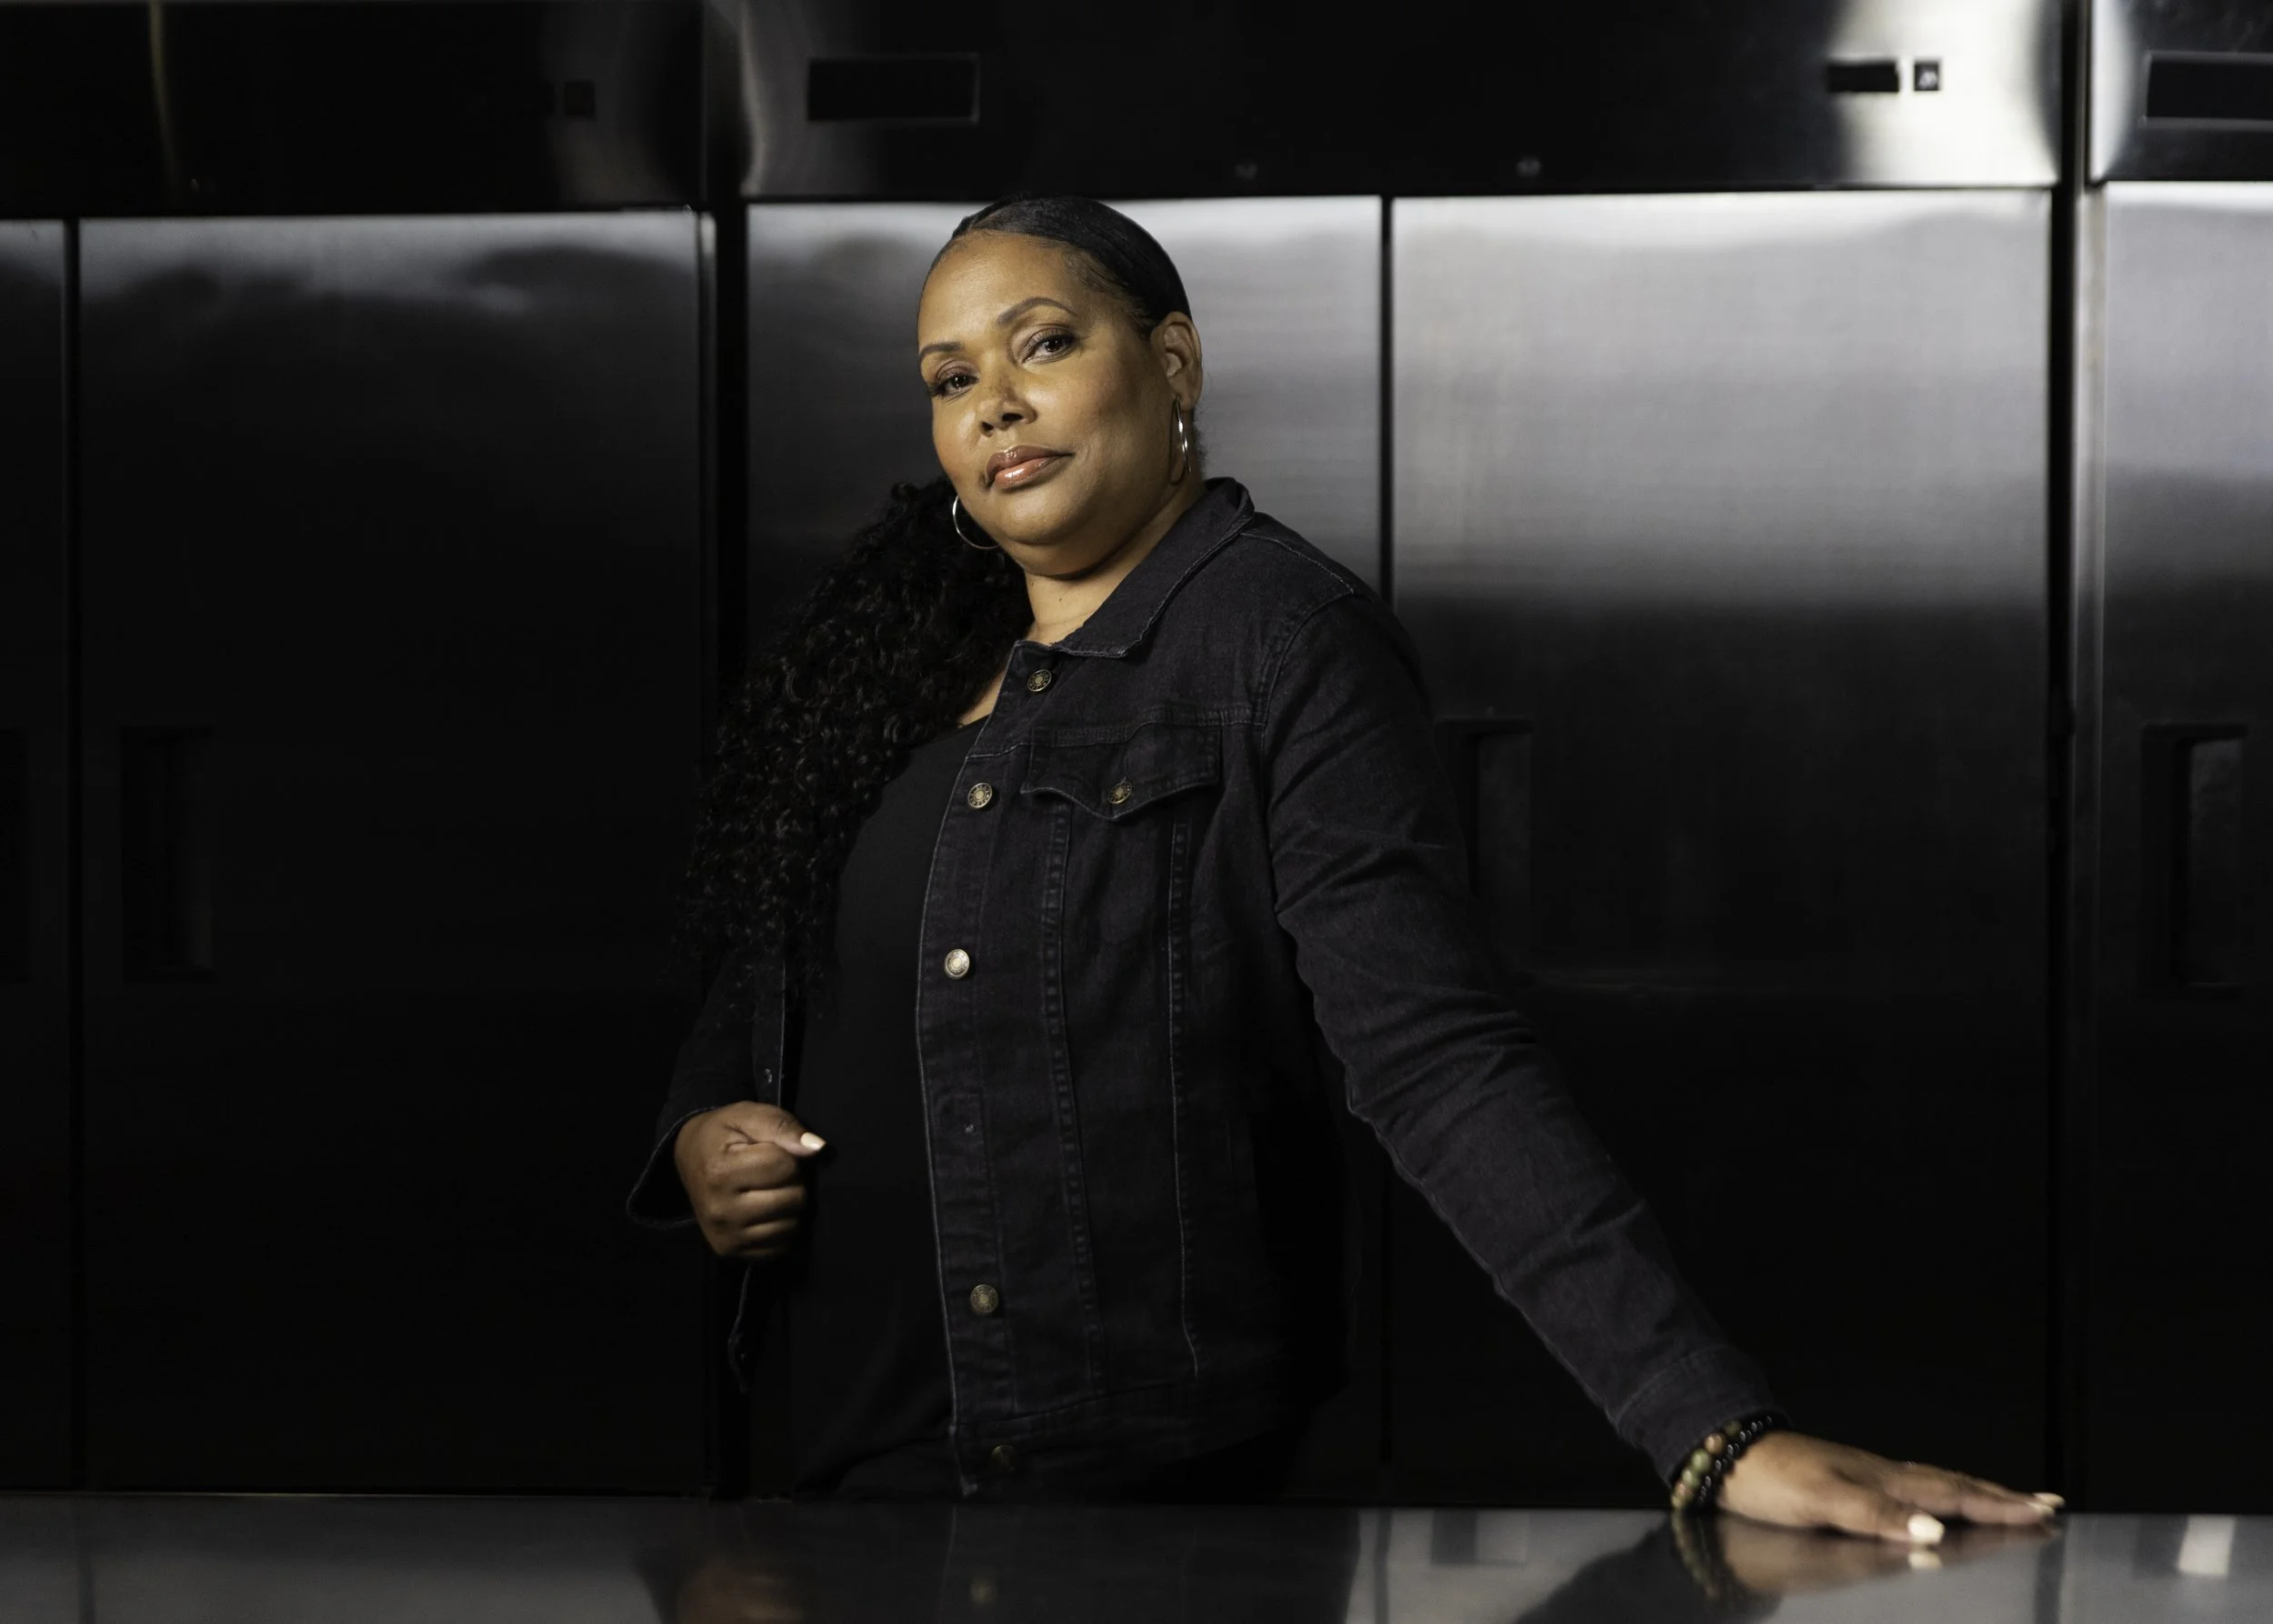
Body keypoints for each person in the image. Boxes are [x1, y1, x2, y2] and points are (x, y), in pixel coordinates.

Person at [626, 195, 2064, 1539]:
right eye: (950, 379)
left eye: (1044, 344)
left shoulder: (1280, 643)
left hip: (1122, 1506)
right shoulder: (908, 660)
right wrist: (702, 1125)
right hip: (840, 1477)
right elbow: (784, 953)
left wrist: (1712, 1428)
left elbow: (1436, 1057)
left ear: (1172, 361)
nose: (993, 400)